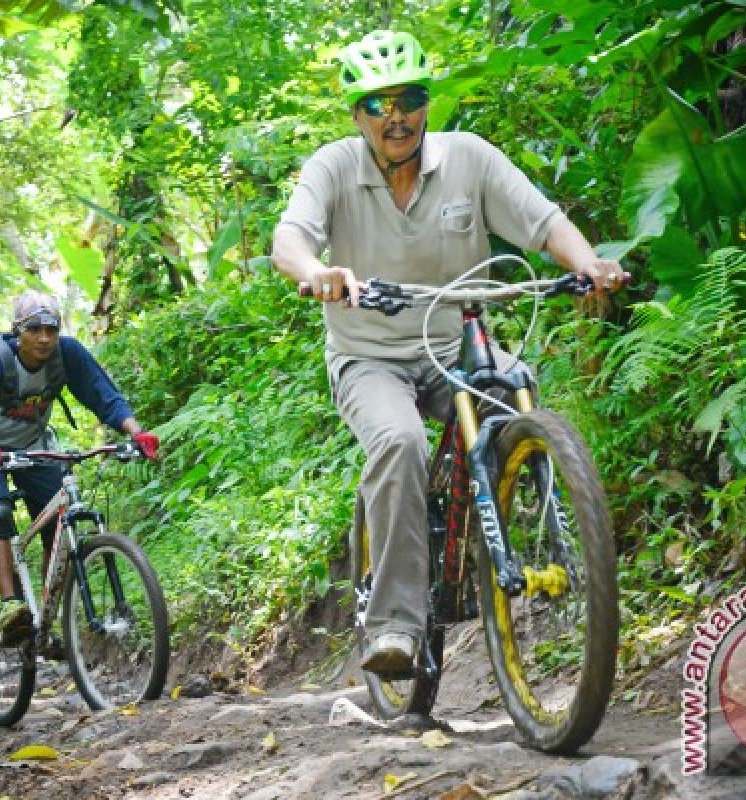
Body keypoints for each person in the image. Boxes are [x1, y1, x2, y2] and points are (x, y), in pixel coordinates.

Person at [270, 30, 627, 675]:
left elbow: (543, 223)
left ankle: (519, 534)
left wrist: (588, 263)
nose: (394, 117)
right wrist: (315, 272)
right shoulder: (333, 168)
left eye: (406, 100)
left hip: (454, 341)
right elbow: (290, 238)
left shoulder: (469, 159)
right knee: (400, 444)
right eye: (377, 106)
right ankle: (394, 626)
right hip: (369, 355)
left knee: (518, 386)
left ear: (426, 105)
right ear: (356, 116)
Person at [0, 290, 160, 645]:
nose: (44, 338)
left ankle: (48, 616)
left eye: (51, 329)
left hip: (34, 445)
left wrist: (137, 434)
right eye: (34, 329)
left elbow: (103, 395)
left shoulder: (67, 355)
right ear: (18, 331)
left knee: (59, 524)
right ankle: (10, 605)